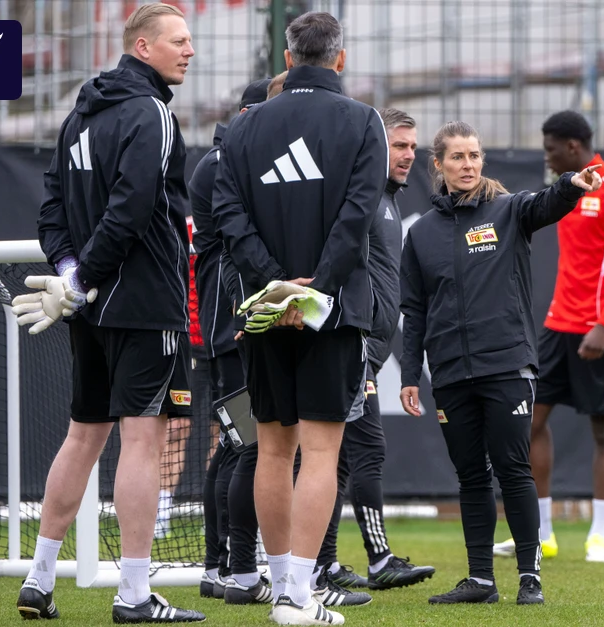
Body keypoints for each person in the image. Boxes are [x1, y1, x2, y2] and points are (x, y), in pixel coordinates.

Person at [14, 3, 205, 622]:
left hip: (90, 309)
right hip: (144, 303)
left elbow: (51, 210)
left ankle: (39, 581)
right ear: (142, 47)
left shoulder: (80, 115)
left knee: (83, 435)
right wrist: (83, 276)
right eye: (179, 41)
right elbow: (132, 207)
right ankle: (134, 594)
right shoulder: (151, 112)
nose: (190, 50)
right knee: (142, 441)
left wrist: (73, 275)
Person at [213, 11, 386, 625]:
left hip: (265, 311)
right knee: (319, 452)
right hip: (331, 314)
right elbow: (358, 215)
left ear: (287, 59)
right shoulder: (364, 121)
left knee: (271, 449)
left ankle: (284, 582)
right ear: (340, 58)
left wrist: (275, 287)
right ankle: (296, 595)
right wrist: (315, 291)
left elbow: (228, 215)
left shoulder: (243, 126)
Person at [399, 120, 602, 606]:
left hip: (507, 366)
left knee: (513, 469)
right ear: (439, 165)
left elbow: (546, 204)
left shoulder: (509, 209)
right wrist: (409, 375)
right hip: (450, 373)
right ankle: (481, 580)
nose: (467, 165)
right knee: (471, 476)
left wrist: (571, 185)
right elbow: (415, 311)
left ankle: (530, 578)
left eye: (474, 155)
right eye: (457, 157)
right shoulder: (421, 234)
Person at [492, 110, 604, 565]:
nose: (547, 157)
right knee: (530, 423)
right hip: (558, 325)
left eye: (550, 149)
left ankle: (599, 536)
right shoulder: (566, 190)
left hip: (602, 329)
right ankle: (542, 534)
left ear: (573, 147)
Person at [314, 108, 436, 595]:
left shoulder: (385, 201)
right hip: (353, 347)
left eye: (413, 147)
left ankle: (322, 563)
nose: (408, 155)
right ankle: (371, 559)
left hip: (369, 349)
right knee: (362, 449)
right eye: (398, 145)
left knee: (341, 458)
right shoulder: (361, 196)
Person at [187, 78, 272, 603]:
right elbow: (240, 245)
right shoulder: (225, 164)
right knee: (249, 446)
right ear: (247, 115)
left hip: (232, 324)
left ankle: (219, 566)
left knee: (236, 446)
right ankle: (236, 569)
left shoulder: (227, 160)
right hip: (232, 328)